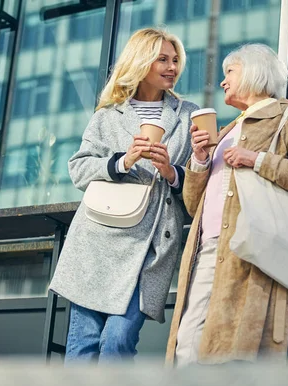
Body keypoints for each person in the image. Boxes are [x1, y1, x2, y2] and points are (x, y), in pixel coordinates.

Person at [166, 43, 288, 366]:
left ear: (255, 72)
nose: (223, 82)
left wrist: (256, 160)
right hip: (207, 248)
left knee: (234, 356)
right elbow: (192, 206)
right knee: (187, 349)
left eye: (230, 72)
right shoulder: (227, 130)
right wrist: (200, 161)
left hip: (250, 252)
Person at [48, 28, 199, 363]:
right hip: (98, 242)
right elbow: (79, 169)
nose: (172, 66)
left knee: (118, 340)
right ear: (141, 61)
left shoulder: (189, 115)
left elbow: (201, 179)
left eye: (175, 60)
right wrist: (122, 161)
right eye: (162, 59)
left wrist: (172, 172)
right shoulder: (107, 115)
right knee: (83, 345)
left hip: (150, 248)